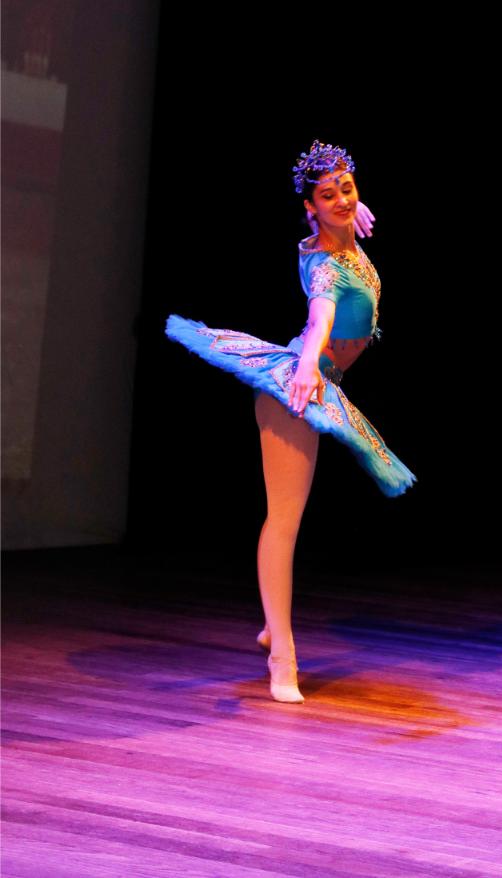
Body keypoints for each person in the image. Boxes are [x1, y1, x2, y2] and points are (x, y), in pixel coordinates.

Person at [165, 140, 416, 704]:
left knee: (289, 519)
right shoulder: (326, 265)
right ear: (309, 208)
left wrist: (348, 209)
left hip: (320, 381)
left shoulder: (338, 234)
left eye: (347, 189)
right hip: (298, 390)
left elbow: (339, 219)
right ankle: (282, 654)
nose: (342, 200)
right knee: (284, 522)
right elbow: (321, 313)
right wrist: (305, 370)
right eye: (328, 196)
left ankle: (270, 625)